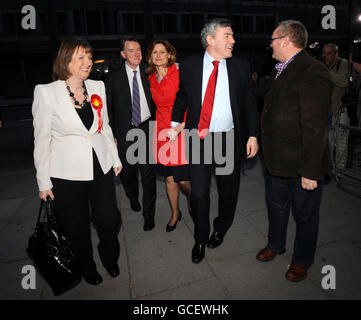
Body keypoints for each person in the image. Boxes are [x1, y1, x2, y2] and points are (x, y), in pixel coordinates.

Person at [32, 39, 123, 286]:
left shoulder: (97, 87)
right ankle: (87, 267)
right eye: (81, 57)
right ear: (66, 61)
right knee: (76, 226)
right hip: (66, 174)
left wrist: (114, 158)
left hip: (100, 166)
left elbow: (104, 126)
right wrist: (44, 182)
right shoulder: (46, 92)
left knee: (107, 219)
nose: (88, 62)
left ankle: (110, 258)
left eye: (89, 57)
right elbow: (41, 140)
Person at [169, 18, 259, 264]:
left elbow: (250, 104)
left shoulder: (240, 67)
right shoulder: (189, 66)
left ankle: (220, 227)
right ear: (211, 40)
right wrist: (175, 125)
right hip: (200, 139)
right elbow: (182, 97)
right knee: (198, 194)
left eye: (232, 36)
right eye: (227, 35)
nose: (233, 40)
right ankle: (200, 238)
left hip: (229, 139)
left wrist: (252, 134)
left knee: (228, 192)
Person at [256, 20, 333, 282]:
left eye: (273, 40)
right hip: (277, 162)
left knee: (305, 215)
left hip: (302, 165)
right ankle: (276, 244)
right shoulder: (280, 69)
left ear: (286, 40)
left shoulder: (312, 70)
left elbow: (315, 126)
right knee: (276, 207)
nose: (270, 44)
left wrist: (310, 171)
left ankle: (302, 260)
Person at [106, 38, 157, 231]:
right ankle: (133, 197)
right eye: (131, 50)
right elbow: (108, 108)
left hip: (146, 129)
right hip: (124, 131)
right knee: (128, 174)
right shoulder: (114, 77)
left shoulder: (149, 72)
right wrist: (112, 135)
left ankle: (149, 214)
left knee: (148, 176)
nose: (136, 53)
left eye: (138, 49)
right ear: (123, 54)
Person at [146, 40, 191, 232]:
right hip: (162, 133)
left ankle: (192, 200)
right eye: (155, 52)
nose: (158, 56)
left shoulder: (181, 74)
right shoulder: (150, 78)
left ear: (170, 55)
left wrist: (181, 127)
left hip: (181, 129)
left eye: (162, 52)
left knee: (183, 179)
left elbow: (190, 103)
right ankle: (175, 213)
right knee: (170, 178)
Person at [322, 43, 349, 173]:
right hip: (327, 110)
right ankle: (330, 168)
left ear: (336, 54)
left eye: (329, 53)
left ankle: (340, 170)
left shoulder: (343, 64)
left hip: (341, 109)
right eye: (324, 53)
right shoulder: (324, 66)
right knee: (329, 140)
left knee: (341, 141)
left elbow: (344, 82)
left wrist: (327, 73)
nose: (325, 56)